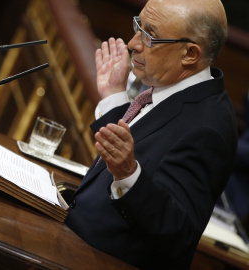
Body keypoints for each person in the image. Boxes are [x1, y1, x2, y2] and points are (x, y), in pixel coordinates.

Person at [65, 0, 238, 269]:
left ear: (190, 54)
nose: (133, 43)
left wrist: (128, 174)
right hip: (74, 247)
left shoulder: (209, 128)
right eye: (138, 26)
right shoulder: (173, 90)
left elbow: (178, 233)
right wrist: (113, 97)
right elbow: (140, 147)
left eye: (150, 36)